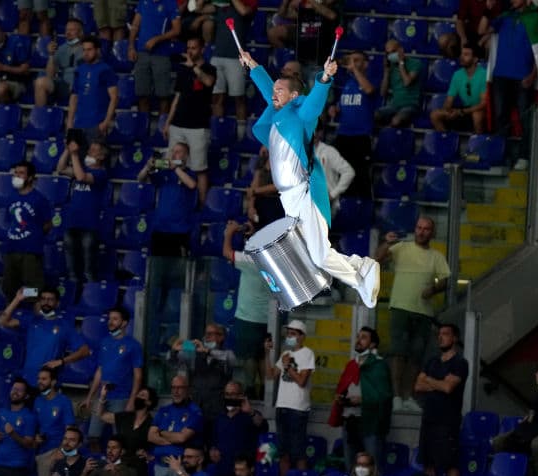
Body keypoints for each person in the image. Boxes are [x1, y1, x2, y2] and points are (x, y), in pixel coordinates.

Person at [240, 52, 380, 307]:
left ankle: (361, 271)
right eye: (275, 89)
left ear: (294, 96)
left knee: (319, 254)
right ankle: (360, 270)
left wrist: (325, 77)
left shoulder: (301, 117)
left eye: (280, 90)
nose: (274, 93)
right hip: (288, 198)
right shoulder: (277, 115)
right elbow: (266, 88)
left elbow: (315, 103)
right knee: (311, 253)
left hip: (305, 192)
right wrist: (253, 66)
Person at [374, 217, 452, 412]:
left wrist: (433, 289)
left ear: (432, 233)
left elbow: (445, 280)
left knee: (416, 356)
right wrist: (387, 242)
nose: (422, 232)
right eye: (419, 228)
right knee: (398, 353)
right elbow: (377, 259)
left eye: (426, 229)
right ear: (414, 229)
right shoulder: (402, 247)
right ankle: (396, 397)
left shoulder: (436, 256)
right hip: (400, 307)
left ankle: (408, 396)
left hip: (423, 312)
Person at [486, 0, 538, 170]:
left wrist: (532, 75)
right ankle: (501, 154)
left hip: (522, 76)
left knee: (525, 117)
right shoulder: (505, 17)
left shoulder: (534, 19)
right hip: (501, 75)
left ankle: (524, 155)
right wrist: (489, 11)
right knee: (500, 117)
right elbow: (484, 31)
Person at [0, 289, 90, 389]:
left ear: (57, 303)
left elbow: (85, 351)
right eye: (43, 299)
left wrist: (61, 361)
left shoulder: (64, 326)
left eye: (50, 299)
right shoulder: (32, 320)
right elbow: (3, 321)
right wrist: (17, 299)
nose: (46, 302)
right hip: (27, 380)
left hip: (49, 383)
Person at [82, 306, 144, 449]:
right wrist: (89, 396)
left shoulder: (133, 345)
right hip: (102, 396)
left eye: (115, 319)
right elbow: (99, 371)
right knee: (93, 436)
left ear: (124, 323)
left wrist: (132, 400)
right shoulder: (104, 342)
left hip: (122, 397)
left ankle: (116, 469)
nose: (110, 322)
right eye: (110, 319)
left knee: (119, 440)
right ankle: (96, 466)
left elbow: (138, 375)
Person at [328, 327, 393, 467]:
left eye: (363, 337)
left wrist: (362, 400)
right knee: (351, 466)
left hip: (370, 423)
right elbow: (342, 387)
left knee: (372, 467)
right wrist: (340, 398)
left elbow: (385, 396)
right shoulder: (351, 365)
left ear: (372, 344)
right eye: (358, 337)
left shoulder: (378, 365)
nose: (358, 340)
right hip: (350, 421)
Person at [222, 221, 273, 395]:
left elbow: (227, 252)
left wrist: (229, 233)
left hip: (248, 318)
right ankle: (265, 391)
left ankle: (251, 389)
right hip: (267, 318)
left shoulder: (250, 260)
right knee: (261, 355)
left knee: (249, 356)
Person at [163, 36, 216, 203]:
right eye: (188, 48)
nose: (190, 51)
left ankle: (200, 205)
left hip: (198, 126)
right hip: (178, 124)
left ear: (202, 49)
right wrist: (168, 122)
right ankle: (175, 202)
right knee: (173, 163)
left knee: (200, 168)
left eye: (193, 48)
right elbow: (177, 98)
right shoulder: (182, 69)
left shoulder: (209, 68)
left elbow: (208, 82)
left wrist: (193, 66)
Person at [416, 323, 469, 476]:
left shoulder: (460, 362)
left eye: (445, 334)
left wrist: (429, 381)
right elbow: (418, 386)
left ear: (454, 338)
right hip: (429, 418)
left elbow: (448, 387)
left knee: (450, 463)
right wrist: (438, 383)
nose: (440, 337)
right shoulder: (432, 361)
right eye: (439, 334)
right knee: (428, 462)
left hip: (447, 420)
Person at [149, 374, 204, 476]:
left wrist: (162, 433)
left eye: (180, 387)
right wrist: (170, 436)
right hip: (160, 466)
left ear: (188, 390)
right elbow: (150, 436)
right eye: (173, 387)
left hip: (180, 468)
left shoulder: (195, 412)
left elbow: (182, 438)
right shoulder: (164, 410)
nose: (176, 391)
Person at [56, 138, 110, 285]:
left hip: (89, 226)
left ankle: (90, 299)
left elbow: (81, 177)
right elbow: (60, 168)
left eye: (94, 151)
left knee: (88, 270)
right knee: (71, 270)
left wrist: (74, 155)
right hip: (72, 223)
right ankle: (73, 300)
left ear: (101, 157)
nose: (89, 152)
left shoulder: (101, 174)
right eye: (89, 149)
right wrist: (68, 150)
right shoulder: (82, 168)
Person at [169, 324, 237, 437]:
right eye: (206, 334)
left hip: (218, 412)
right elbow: (173, 363)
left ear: (221, 337)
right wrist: (174, 350)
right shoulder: (194, 354)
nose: (207, 337)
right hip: (196, 410)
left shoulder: (227, 354)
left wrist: (208, 351)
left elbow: (232, 359)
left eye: (211, 334)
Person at [266, 320, 315, 471]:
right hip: (282, 407)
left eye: (293, 334)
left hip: (298, 409)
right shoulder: (285, 354)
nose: (289, 336)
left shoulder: (308, 353)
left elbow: (301, 381)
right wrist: (267, 353)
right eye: (288, 333)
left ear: (302, 336)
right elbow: (270, 375)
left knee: (298, 453)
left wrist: (288, 366)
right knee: (283, 454)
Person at [329, 52, 378, 199]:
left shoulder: (371, 78)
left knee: (360, 174)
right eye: (351, 60)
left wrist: (355, 69)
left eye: (356, 60)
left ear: (365, 64)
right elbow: (345, 104)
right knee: (339, 172)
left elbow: (369, 90)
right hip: (343, 134)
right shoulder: (348, 83)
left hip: (361, 135)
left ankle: (360, 207)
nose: (352, 63)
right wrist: (335, 109)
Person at [0, 161, 52, 298]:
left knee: (34, 290)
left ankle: (28, 310)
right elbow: (9, 221)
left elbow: (47, 224)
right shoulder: (11, 197)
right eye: (15, 173)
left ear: (30, 177)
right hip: (11, 249)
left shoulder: (39, 199)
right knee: (8, 288)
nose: (17, 176)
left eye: (21, 173)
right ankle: (13, 310)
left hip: (30, 251)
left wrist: (34, 235)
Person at [137, 142, 200, 257]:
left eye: (178, 152)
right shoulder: (164, 173)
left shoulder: (190, 173)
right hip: (160, 228)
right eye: (173, 151)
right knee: (159, 266)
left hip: (180, 230)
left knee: (178, 268)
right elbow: (141, 179)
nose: (174, 154)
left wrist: (175, 168)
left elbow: (192, 184)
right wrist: (148, 167)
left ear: (186, 156)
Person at [209, 0, 258, 138]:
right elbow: (198, 8)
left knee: (239, 98)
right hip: (217, 56)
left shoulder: (247, 2)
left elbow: (244, 11)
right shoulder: (219, 4)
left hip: (236, 58)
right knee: (217, 98)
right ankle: (217, 132)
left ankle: (241, 134)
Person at [209, 382, 268, 476]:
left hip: (243, 474)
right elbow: (214, 441)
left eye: (233, 394)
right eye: (227, 394)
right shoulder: (219, 417)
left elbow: (264, 427)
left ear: (241, 395)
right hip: (222, 472)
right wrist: (213, 450)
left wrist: (250, 411)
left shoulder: (249, 416)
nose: (229, 397)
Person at [129, 0, 181, 115]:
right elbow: (135, 25)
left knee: (163, 96)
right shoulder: (143, 2)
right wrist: (131, 47)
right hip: (142, 53)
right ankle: (143, 128)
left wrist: (157, 39)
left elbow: (177, 30)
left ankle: (162, 130)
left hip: (162, 54)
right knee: (142, 95)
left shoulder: (170, 3)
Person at [65, 35, 118, 144]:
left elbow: (114, 98)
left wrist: (106, 122)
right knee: (76, 157)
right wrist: (70, 121)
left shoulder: (105, 70)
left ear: (97, 50)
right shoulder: (79, 70)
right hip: (78, 124)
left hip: (97, 124)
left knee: (93, 160)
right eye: (84, 50)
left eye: (89, 49)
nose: (86, 53)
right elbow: (74, 96)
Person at [430, 44, 487, 132]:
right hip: (463, 110)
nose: (461, 57)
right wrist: (447, 110)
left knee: (477, 115)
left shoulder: (483, 74)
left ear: (475, 59)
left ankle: (477, 143)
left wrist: (462, 112)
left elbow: (483, 103)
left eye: (466, 55)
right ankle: (446, 139)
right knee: (435, 115)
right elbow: (449, 100)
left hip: (478, 110)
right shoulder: (457, 75)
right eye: (462, 54)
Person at [377, 39, 426, 128]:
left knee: (396, 121)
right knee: (374, 115)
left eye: (393, 52)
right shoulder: (390, 68)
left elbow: (407, 82)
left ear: (401, 50)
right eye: (388, 53)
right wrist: (386, 72)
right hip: (394, 105)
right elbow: (382, 93)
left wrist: (401, 63)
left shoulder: (415, 63)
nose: (391, 55)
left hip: (411, 104)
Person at [35, 20, 85, 106]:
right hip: (64, 85)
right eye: (67, 30)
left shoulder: (88, 48)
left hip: (82, 85)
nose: (68, 33)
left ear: (81, 33)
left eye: (72, 30)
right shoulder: (61, 48)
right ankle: (41, 116)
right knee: (40, 82)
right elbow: (49, 75)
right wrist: (51, 55)